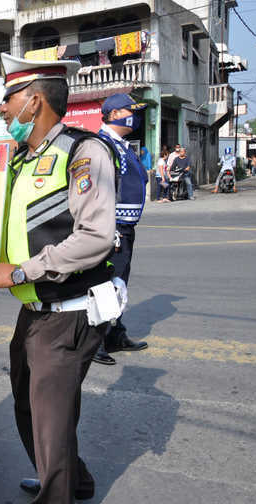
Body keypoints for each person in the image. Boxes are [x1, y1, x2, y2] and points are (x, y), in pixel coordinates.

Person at [0, 53, 116, 504]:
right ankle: (69, 480)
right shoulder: (21, 159)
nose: (1, 108)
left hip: (68, 310)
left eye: (8, 99)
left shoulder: (83, 153)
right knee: (29, 409)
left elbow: (96, 237)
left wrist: (17, 272)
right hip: (34, 313)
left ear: (34, 99)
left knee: (50, 419)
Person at [91, 93, 150, 366]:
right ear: (114, 114)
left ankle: (116, 334)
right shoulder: (101, 145)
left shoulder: (121, 145)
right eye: (131, 111)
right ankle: (95, 342)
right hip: (111, 227)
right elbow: (95, 191)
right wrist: (107, 227)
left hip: (126, 227)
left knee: (120, 282)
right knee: (105, 284)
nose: (135, 116)